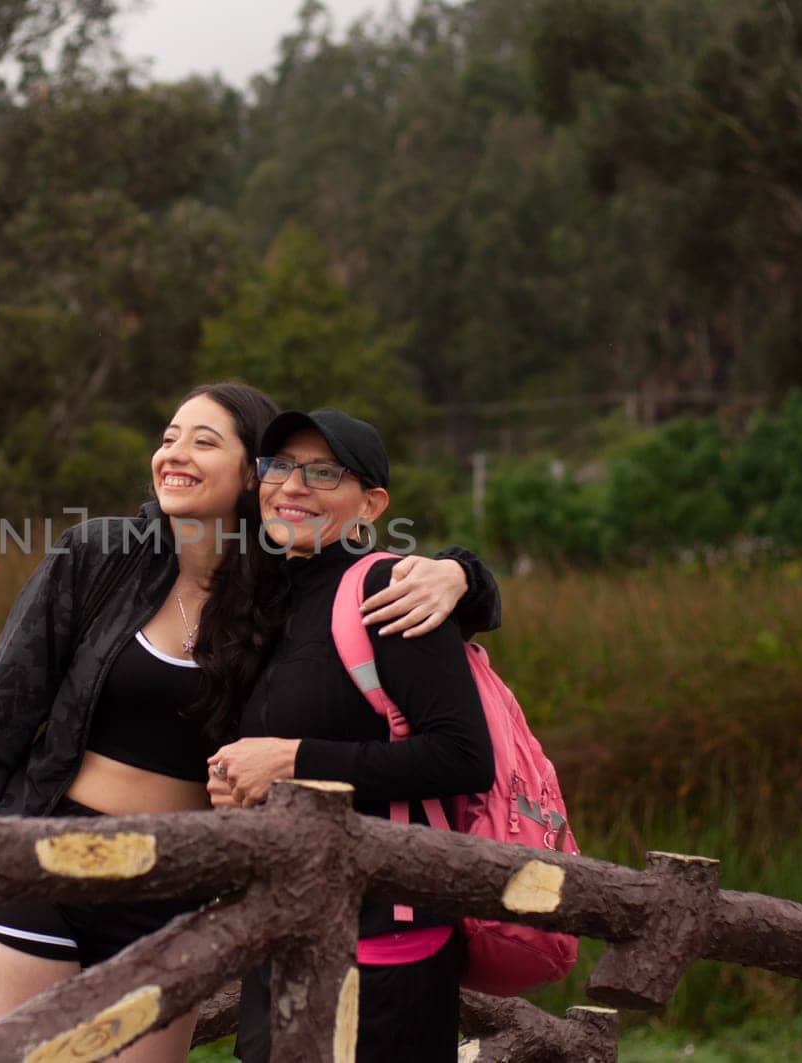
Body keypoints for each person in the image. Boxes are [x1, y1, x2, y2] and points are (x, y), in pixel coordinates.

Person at [0, 383, 501, 1062]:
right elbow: (2, 710)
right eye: (169, 436)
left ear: (245, 474)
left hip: (175, 886)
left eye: (205, 441)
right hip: (45, 859)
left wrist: (463, 573)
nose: (176, 452)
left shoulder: (281, 588)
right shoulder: (99, 558)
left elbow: (380, 593)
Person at [207, 408, 496, 1063]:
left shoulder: (389, 590)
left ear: (371, 503)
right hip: (284, 932)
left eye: (323, 472)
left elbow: (462, 755)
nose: (293, 486)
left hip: (384, 947)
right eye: (278, 467)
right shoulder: (266, 600)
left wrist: (292, 761)